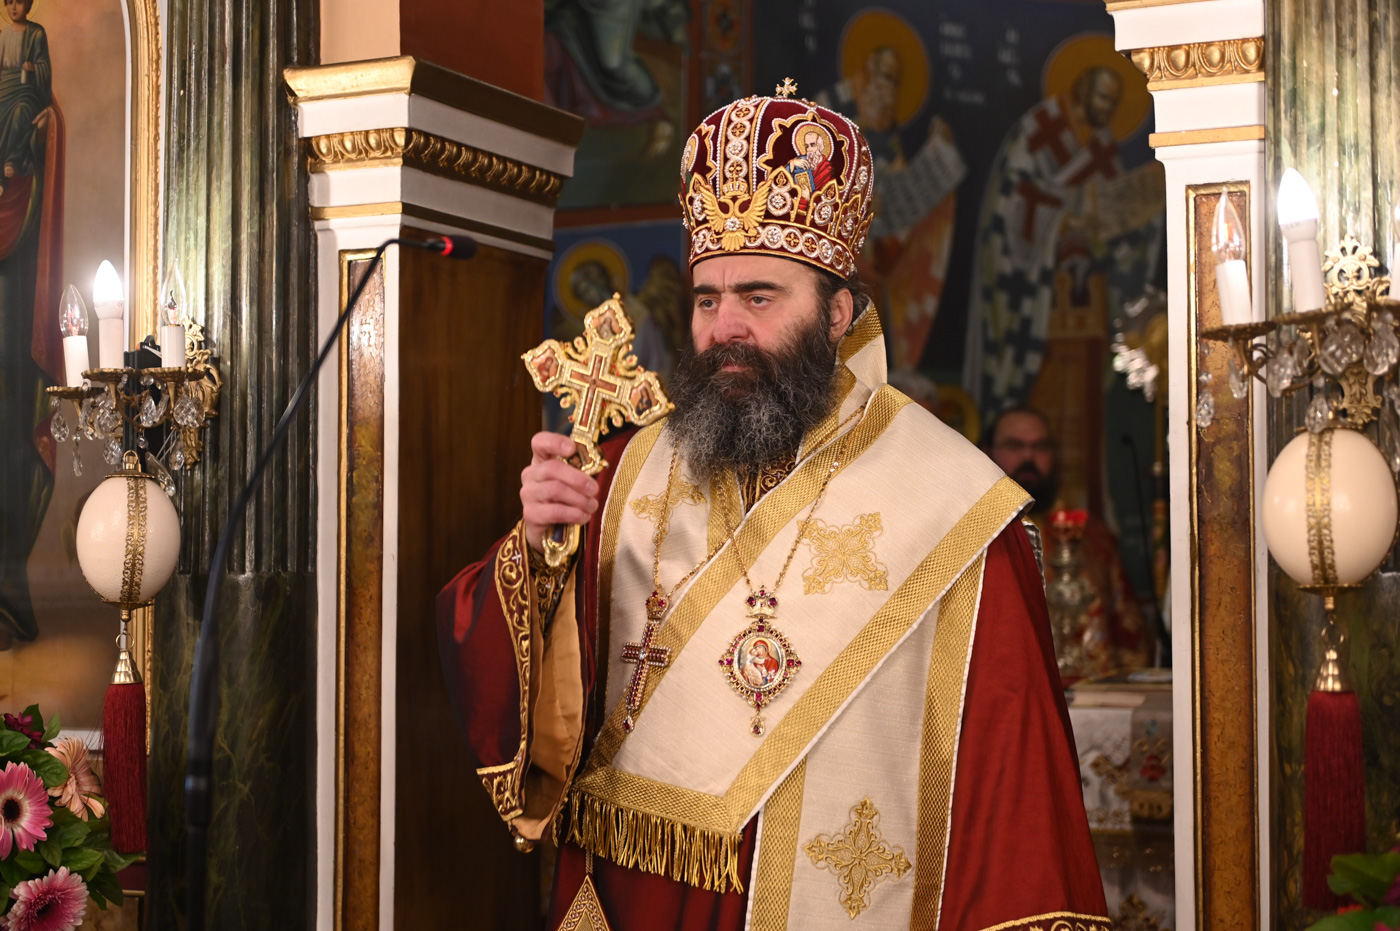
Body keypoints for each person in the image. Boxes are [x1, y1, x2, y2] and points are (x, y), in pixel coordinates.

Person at [439, 88, 1109, 930]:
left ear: (837, 313)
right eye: (707, 299)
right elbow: (507, 677)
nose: (725, 327)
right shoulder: (623, 471)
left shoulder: (956, 508)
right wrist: (540, 547)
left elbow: (1015, 802)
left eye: (760, 297)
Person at [984, 406, 1153, 676]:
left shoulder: (1091, 536)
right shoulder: (970, 536)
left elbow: (1129, 636)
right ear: (988, 452)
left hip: (1088, 691)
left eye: (1040, 447)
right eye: (1014, 445)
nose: (1028, 456)